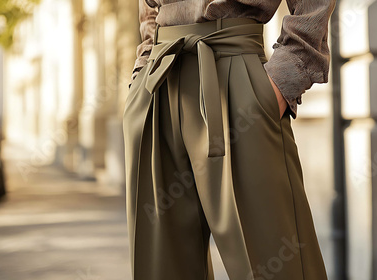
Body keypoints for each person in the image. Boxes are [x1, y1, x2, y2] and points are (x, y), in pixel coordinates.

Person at [123, 0, 336, 279]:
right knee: (160, 269)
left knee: (276, 266)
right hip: (158, 80)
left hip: (237, 79)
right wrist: (141, 71)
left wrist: (280, 83)